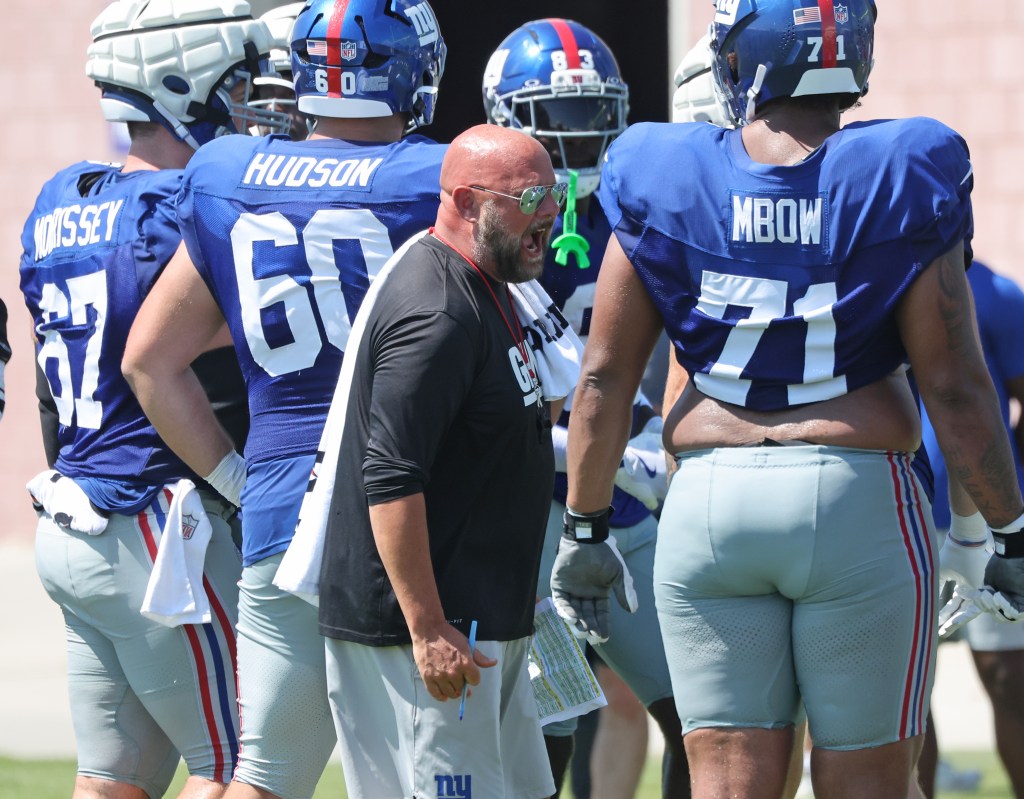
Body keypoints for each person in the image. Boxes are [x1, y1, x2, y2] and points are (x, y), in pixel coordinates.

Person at [551, 1, 1024, 797]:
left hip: (711, 501)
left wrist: (585, 523)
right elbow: (953, 382)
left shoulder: (664, 169)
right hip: (855, 493)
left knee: (729, 785)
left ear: (741, 57)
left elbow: (603, 376)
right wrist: (1007, 529)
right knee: (868, 784)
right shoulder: (903, 166)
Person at [122, 2, 448, 797]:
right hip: (405, 510)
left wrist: (236, 481)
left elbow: (150, 361)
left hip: (276, 506)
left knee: (264, 776)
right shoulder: (437, 178)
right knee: (435, 771)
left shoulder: (231, 175)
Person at [17, 1, 280, 796]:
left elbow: (48, 390)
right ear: (180, 83)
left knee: (112, 778)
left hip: (73, 519)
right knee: (239, 767)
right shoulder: (180, 210)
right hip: (157, 526)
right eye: (235, 83)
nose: (253, 102)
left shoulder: (60, 200)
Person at [314, 122, 561, 799]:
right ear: (466, 200)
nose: (552, 212)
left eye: (556, 191)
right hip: (433, 637)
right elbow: (391, 474)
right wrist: (427, 627)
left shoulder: (488, 284)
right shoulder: (439, 309)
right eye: (532, 195)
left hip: (483, 625)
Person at [482, 18, 686, 798]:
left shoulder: (641, 213)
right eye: (556, 117)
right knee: (544, 742)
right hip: (527, 516)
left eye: (594, 113)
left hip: (630, 511)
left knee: (705, 721)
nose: (580, 135)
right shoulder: (479, 230)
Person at [922, 259, 1024, 799]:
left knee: (1011, 682)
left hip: (992, 526)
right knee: (905, 693)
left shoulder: (1000, 293)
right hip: (898, 513)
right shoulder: (882, 278)